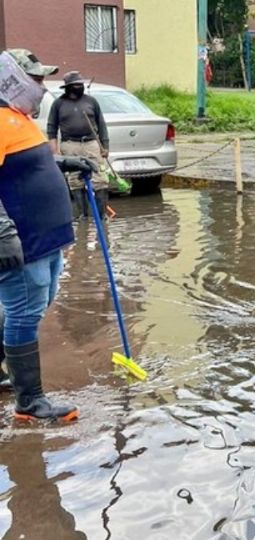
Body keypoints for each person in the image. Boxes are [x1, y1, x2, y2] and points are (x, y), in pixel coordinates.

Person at [0, 48, 97, 421]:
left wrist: (63, 162)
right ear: (11, 81)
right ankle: (29, 402)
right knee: (24, 311)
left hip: (46, 236)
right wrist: (3, 233)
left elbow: (24, 163)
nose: (42, 87)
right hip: (21, 239)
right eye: (35, 79)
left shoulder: (17, 116)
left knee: (30, 305)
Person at [46, 70, 110, 219]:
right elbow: (52, 128)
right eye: (75, 85)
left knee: (100, 179)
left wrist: (105, 146)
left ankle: (101, 215)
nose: (79, 87)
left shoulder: (91, 101)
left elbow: (101, 125)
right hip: (70, 145)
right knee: (75, 180)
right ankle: (83, 215)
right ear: (68, 87)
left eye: (80, 85)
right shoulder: (58, 104)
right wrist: (55, 151)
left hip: (91, 143)